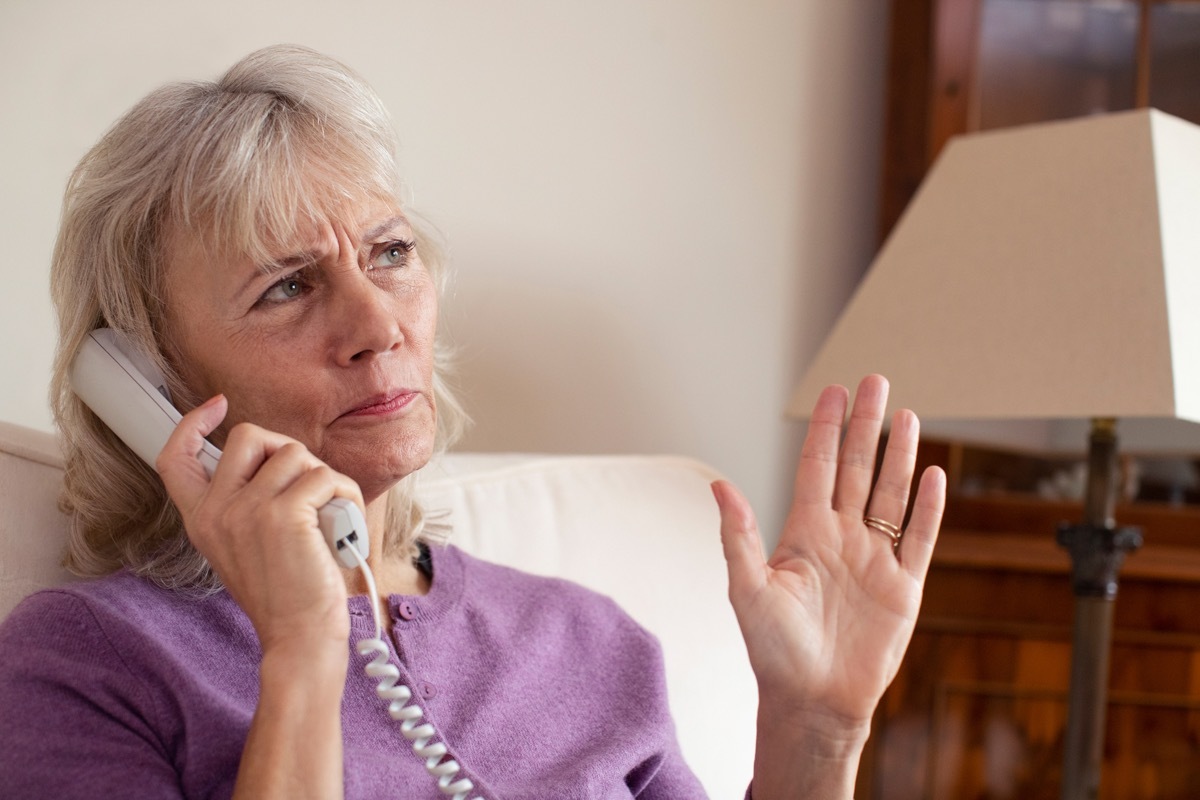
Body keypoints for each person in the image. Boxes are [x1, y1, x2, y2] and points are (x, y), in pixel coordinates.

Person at [0, 45, 945, 799]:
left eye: (392, 253)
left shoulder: (584, 639)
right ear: (150, 379)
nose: (378, 327)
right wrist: (301, 648)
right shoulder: (86, 661)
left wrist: (817, 732)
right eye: (287, 286)